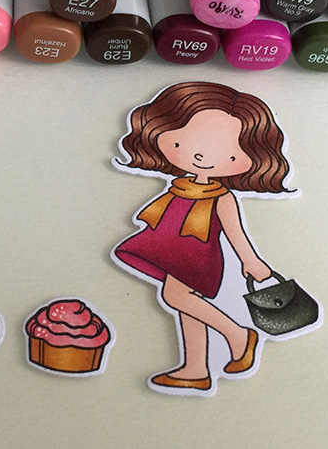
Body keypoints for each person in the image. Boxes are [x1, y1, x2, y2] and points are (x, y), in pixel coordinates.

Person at [113, 81, 293, 393]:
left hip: (197, 257)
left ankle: (239, 336)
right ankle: (195, 369)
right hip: (169, 249)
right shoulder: (178, 187)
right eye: (184, 141)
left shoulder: (222, 197)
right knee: (186, 306)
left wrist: (251, 261)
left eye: (228, 154)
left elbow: (235, 232)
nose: (201, 156)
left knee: (176, 297)